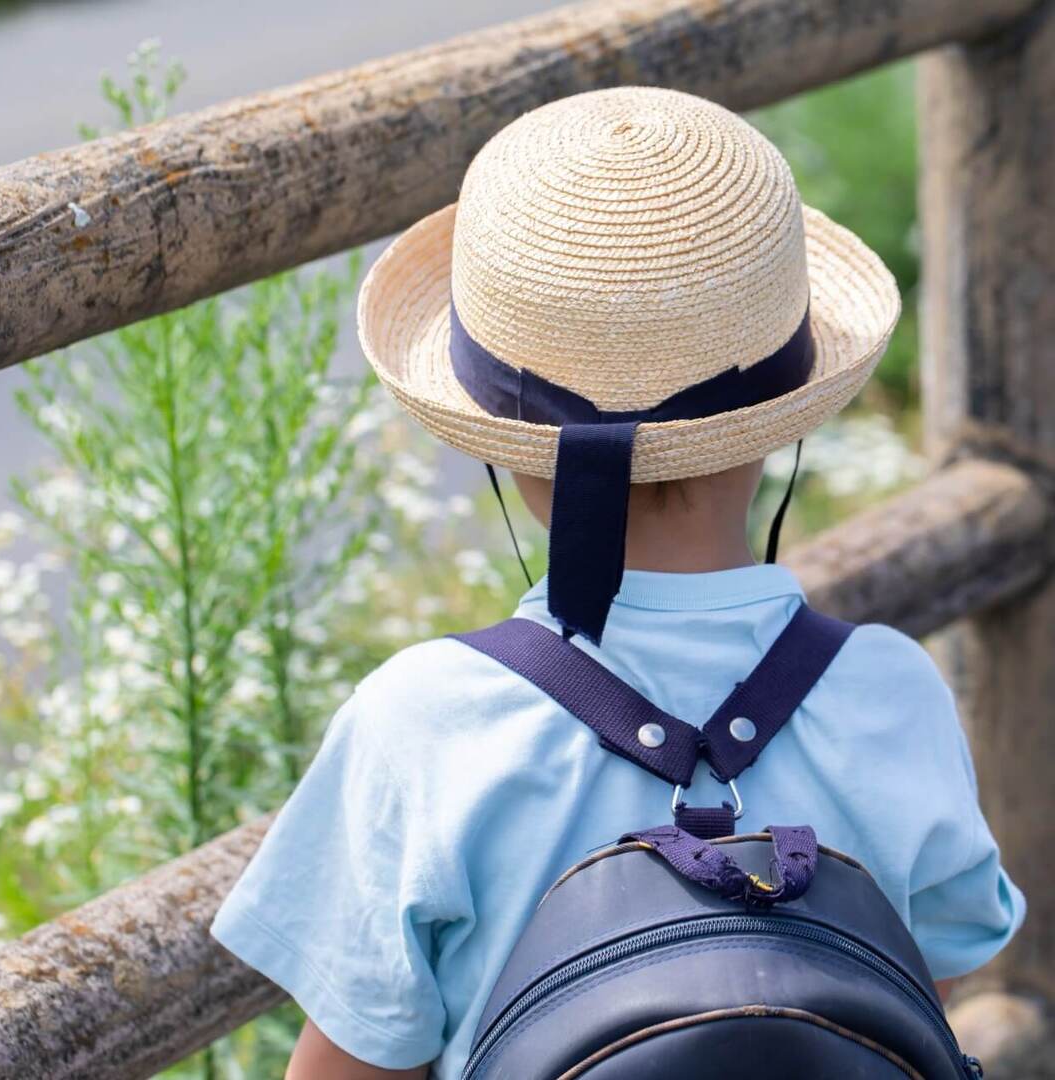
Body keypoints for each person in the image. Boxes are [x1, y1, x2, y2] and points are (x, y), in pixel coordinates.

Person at [211, 86, 1025, 1080]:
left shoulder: (425, 723)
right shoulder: (892, 692)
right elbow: (916, 998)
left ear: (502, 448)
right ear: (787, 426)